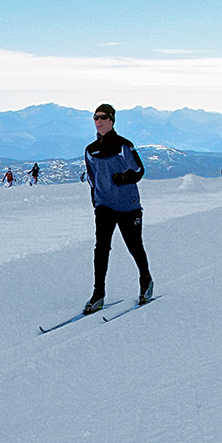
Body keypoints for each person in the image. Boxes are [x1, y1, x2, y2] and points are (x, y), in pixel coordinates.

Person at [82, 104, 153, 313]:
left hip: (128, 206)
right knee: (101, 249)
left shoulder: (124, 146)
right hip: (104, 206)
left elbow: (139, 170)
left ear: (112, 120)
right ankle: (98, 295)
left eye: (103, 117)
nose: (98, 121)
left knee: (134, 246)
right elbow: (92, 179)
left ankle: (146, 280)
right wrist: (96, 201)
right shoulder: (90, 150)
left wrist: (123, 178)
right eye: (95, 118)